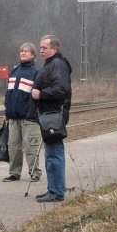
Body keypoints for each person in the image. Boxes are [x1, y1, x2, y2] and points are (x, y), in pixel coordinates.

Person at [31, 35, 72, 203]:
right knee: (50, 156)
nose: (41, 51)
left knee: (54, 155)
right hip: (48, 116)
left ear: (54, 49)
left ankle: (57, 192)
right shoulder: (51, 64)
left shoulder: (57, 64)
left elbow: (61, 89)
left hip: (53, 116)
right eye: (40, 48)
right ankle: (52, 189)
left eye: (44, 48)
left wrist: (41, 94)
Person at [2, 43, 43, 183]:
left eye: (26, 51)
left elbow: (39, 95)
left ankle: (34, 173)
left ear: (33, 55)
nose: (23, 53)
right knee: (13, 147)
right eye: (21, 51)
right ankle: (14, 173)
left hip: (29, 117)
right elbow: (9, 94)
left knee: (31, 147)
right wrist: (7, 111)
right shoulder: (14, 71)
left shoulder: (37, 72)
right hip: (13, 117)